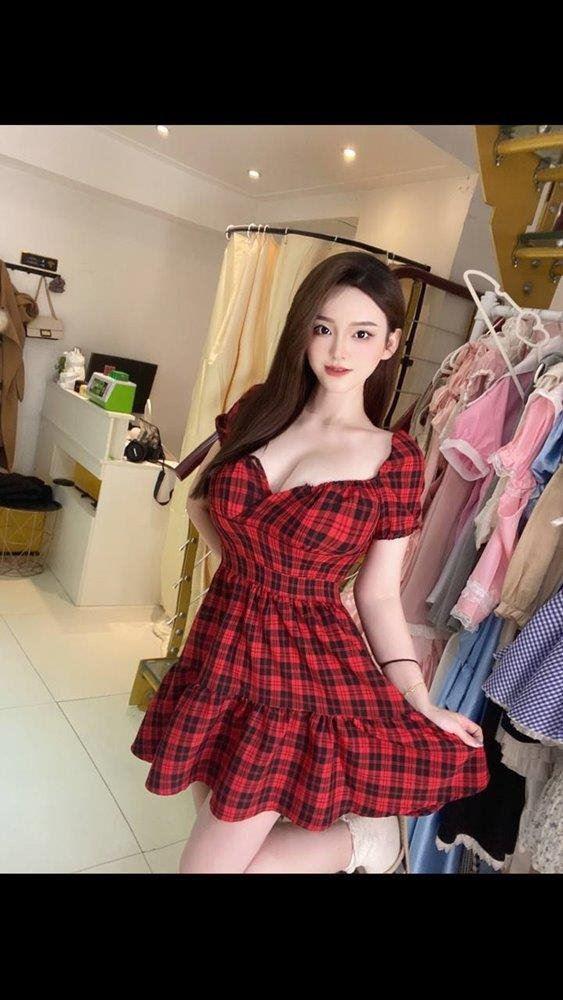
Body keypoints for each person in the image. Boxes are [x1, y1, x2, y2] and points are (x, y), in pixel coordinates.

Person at [131, 251, 489, 874]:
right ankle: (358, 843)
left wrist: (419, 699)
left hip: (298, 672)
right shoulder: (257, 410)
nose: (338, 350)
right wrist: (253, 569)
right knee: (217, 822)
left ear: (390, 344)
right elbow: (199, 504)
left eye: (362, 333)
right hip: (220, 647)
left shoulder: (394, 458)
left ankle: (363, 842)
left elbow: (379, 593)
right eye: (323, 328)